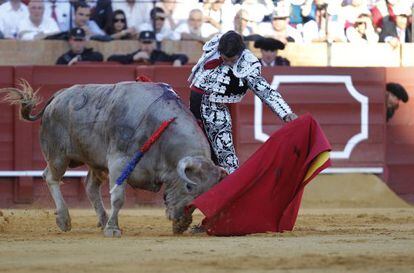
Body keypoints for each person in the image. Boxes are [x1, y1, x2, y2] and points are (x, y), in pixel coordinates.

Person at [189, 31, 297, 174]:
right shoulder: (216, 45)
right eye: (224, 58)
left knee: (226, 157)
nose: (227, 63)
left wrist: (285, 112)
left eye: (232, 60)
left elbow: (265, 91)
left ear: (240, 54)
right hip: (193, 100)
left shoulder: (247, 64)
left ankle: (231, 187)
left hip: (215, 107)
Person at [107, 30, 188, 65]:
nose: (146, 45)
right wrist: (133, 58)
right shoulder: (135, 55)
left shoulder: (160, 55)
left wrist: (178, 61)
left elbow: (184, 57)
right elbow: (110, 58)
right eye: (144, 42)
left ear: (154, 44)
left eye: (149, 42)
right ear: (139, 43)